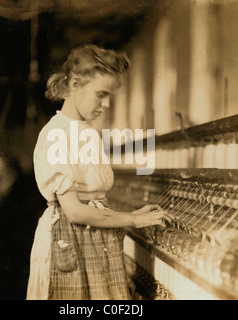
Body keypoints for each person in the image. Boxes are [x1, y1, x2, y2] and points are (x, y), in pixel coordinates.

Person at [26, 44, 165, 300]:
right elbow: (76, 211)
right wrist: (133, 220)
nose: (107, 103)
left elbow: (94, 199)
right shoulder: (57, 133)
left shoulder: (87, 132)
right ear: (76, 84)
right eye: (101, 94)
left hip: (95, 241)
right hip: (71, 242)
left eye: (110, 96)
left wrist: (131, 214)